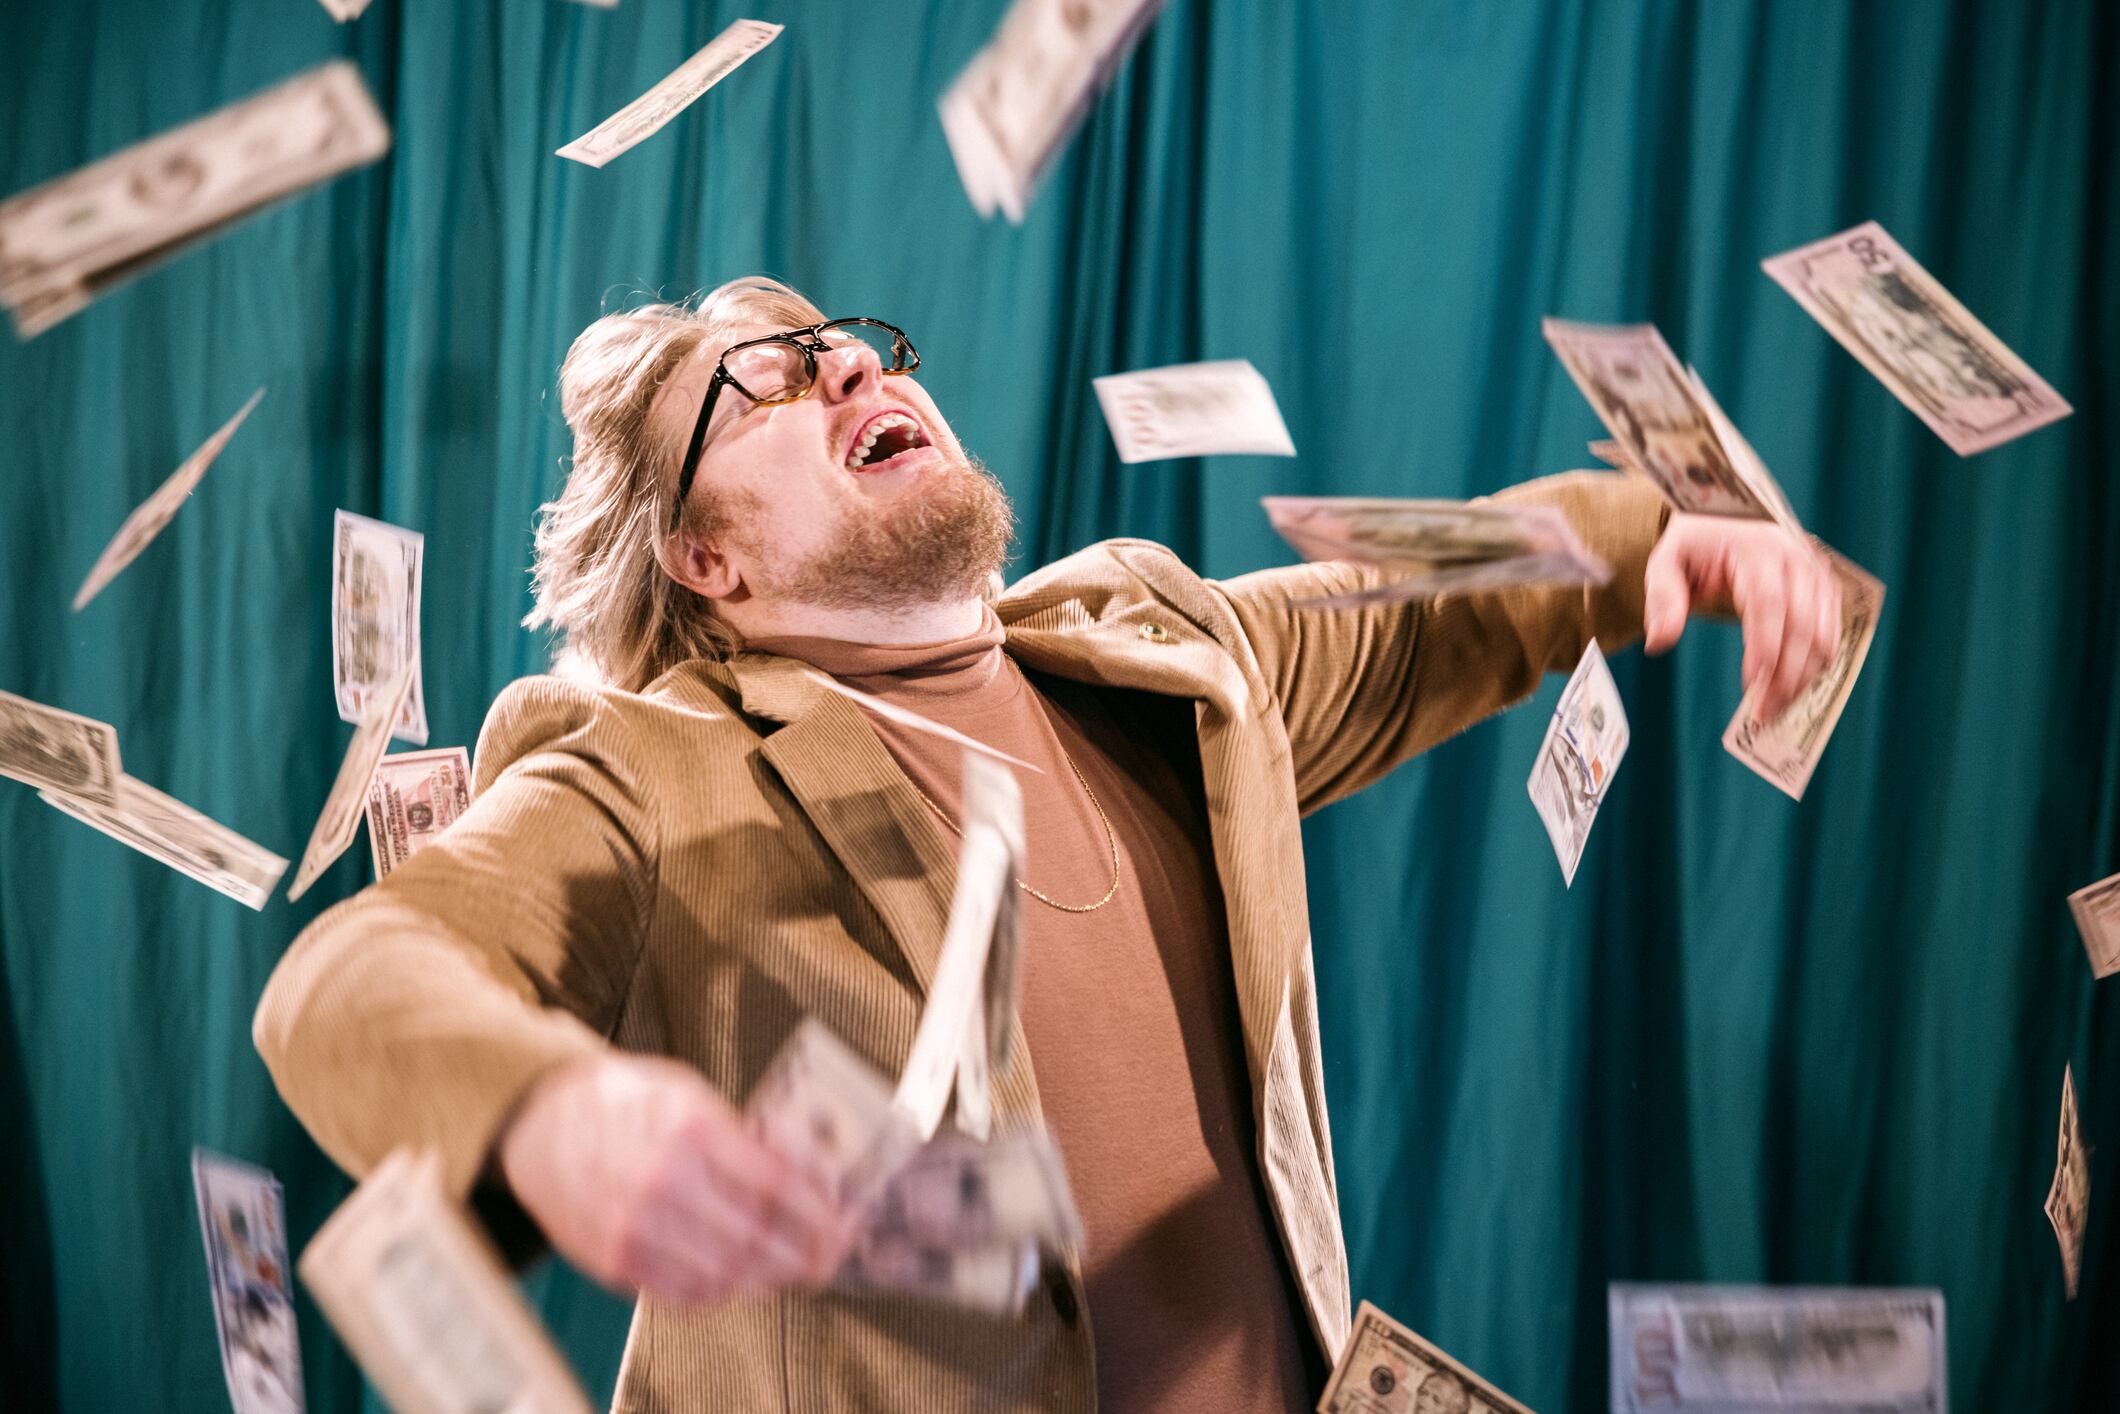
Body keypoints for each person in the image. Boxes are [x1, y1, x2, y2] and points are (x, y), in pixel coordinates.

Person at [254, 276, 1843, 1412]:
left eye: (849, 346)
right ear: (705, 558)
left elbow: (1421, 607)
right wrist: (546, 1108)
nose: (849, 377)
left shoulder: (1153, 644)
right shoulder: (654, 772)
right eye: (768, 381)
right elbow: (346, 976)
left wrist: (1659, 535)